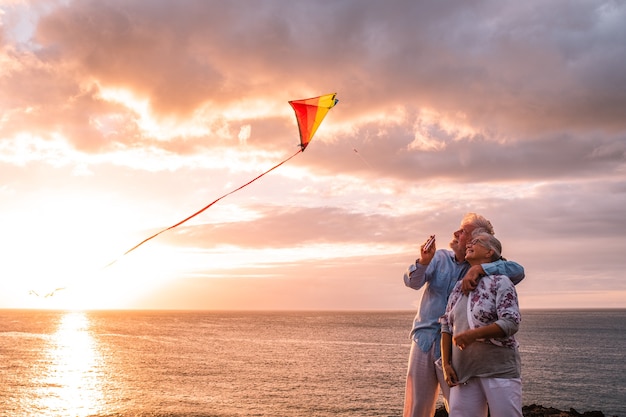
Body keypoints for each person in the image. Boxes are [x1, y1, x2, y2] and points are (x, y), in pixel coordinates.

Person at [402, 213, 524, 417]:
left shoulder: (482, 266)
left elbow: (517, 271)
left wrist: (478, 269)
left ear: (477, 240)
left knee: (458, 405)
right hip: (425, 340)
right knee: (417, 408)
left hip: (458, 348)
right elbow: (412, 283)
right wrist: (424, 261)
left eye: (463, 232)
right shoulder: (439, 257)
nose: (456, 233)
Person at [440, 233, 522, 417]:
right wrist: (446, 365)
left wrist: (472, 335)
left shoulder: (501, 281)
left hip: (498, 370)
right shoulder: (458, 287)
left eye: (476, 242)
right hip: (464, 373)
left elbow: (510, 322)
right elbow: (446, 326)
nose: (469, 243)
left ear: (489, 252)